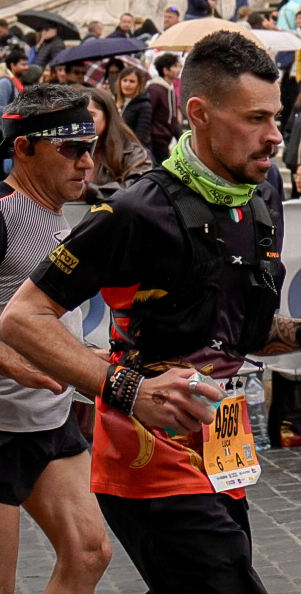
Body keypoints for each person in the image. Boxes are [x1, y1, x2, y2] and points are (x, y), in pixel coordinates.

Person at [0, 35, 301, 594]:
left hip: (223, 454)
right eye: (255, 118)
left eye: (276, 117)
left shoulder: (259, 197)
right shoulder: (137, 210)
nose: (275, 136)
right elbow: (22, 318)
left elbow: (243, 334)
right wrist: (127, 389)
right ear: (199, 114)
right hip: (148, 462)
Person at [0, 86, 116, 594]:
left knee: (90, 552)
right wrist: (8, 359)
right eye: (71, 149)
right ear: (23, 148)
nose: (88, 163)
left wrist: (83, 361)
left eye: (91, 147)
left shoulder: (60, 214)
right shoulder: (2, 215)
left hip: (47, 420)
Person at [146, 52, 184, 162]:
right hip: (156, 139)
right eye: (175, 66)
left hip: (166, 138)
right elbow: (148, 114)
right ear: (165, 70)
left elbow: (172, 117)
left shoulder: (170, 88)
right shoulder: (155, 89)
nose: (178, 69)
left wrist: (180, 137)